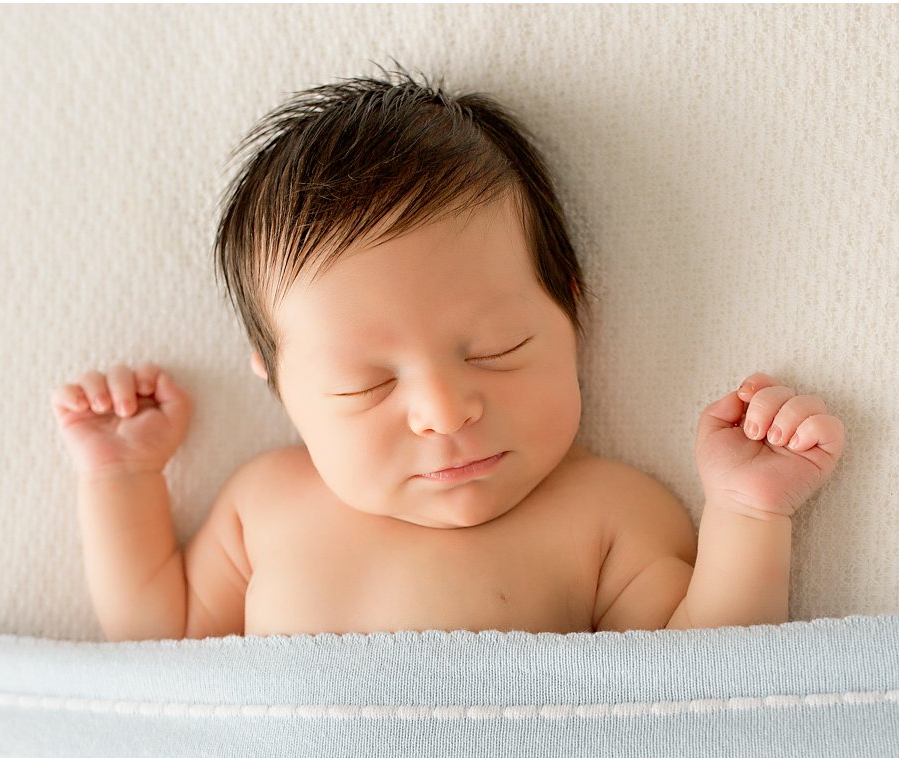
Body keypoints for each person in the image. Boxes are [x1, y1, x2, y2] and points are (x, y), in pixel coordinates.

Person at [51, 72, 845, 639]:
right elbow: (156, 639)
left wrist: (747, 513)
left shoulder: (605, 515)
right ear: (281, 383)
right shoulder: (265, 507)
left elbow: (703, 695)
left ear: (571, 308)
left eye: (498, 349)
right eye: (363, 385)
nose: (443, 411)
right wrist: (122, 479)